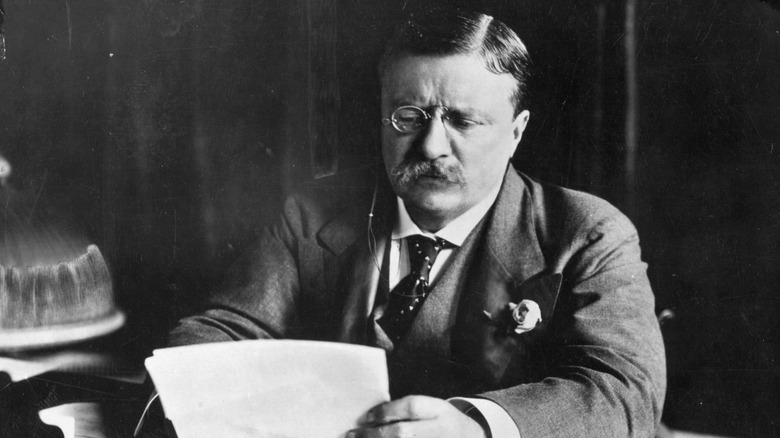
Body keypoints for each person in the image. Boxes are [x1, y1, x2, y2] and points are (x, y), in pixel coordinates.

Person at [166, 7, 666, 438]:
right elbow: (222, 330)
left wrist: (475, 428)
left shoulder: (587, 233)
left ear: (516, 132)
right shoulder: (312, 213)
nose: (431, 146)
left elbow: (623, 389)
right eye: (408, 116)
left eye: (464, 122)